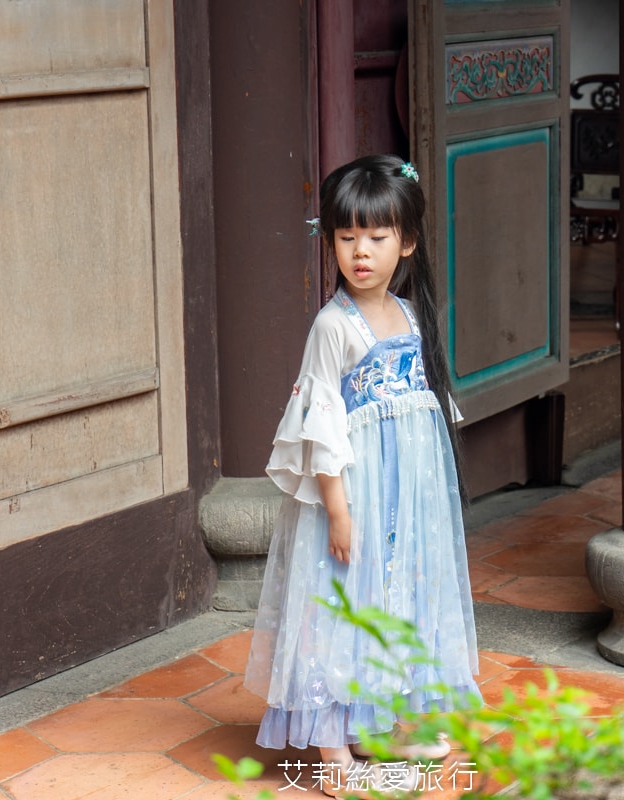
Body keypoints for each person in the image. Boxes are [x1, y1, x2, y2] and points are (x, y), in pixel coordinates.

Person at [243, 154, 480, 797]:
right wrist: (339, 509)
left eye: (377, 238)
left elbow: (424, 410)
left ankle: (393, 717)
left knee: (400, 595)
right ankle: (331, 748)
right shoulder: (332, 326)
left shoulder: (408, 314)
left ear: (406, 242)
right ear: (332, 243)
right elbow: (322, 424)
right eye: (347, 238)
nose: (361, 253)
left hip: (407, 493)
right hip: (353, 493)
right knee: (343, 602)